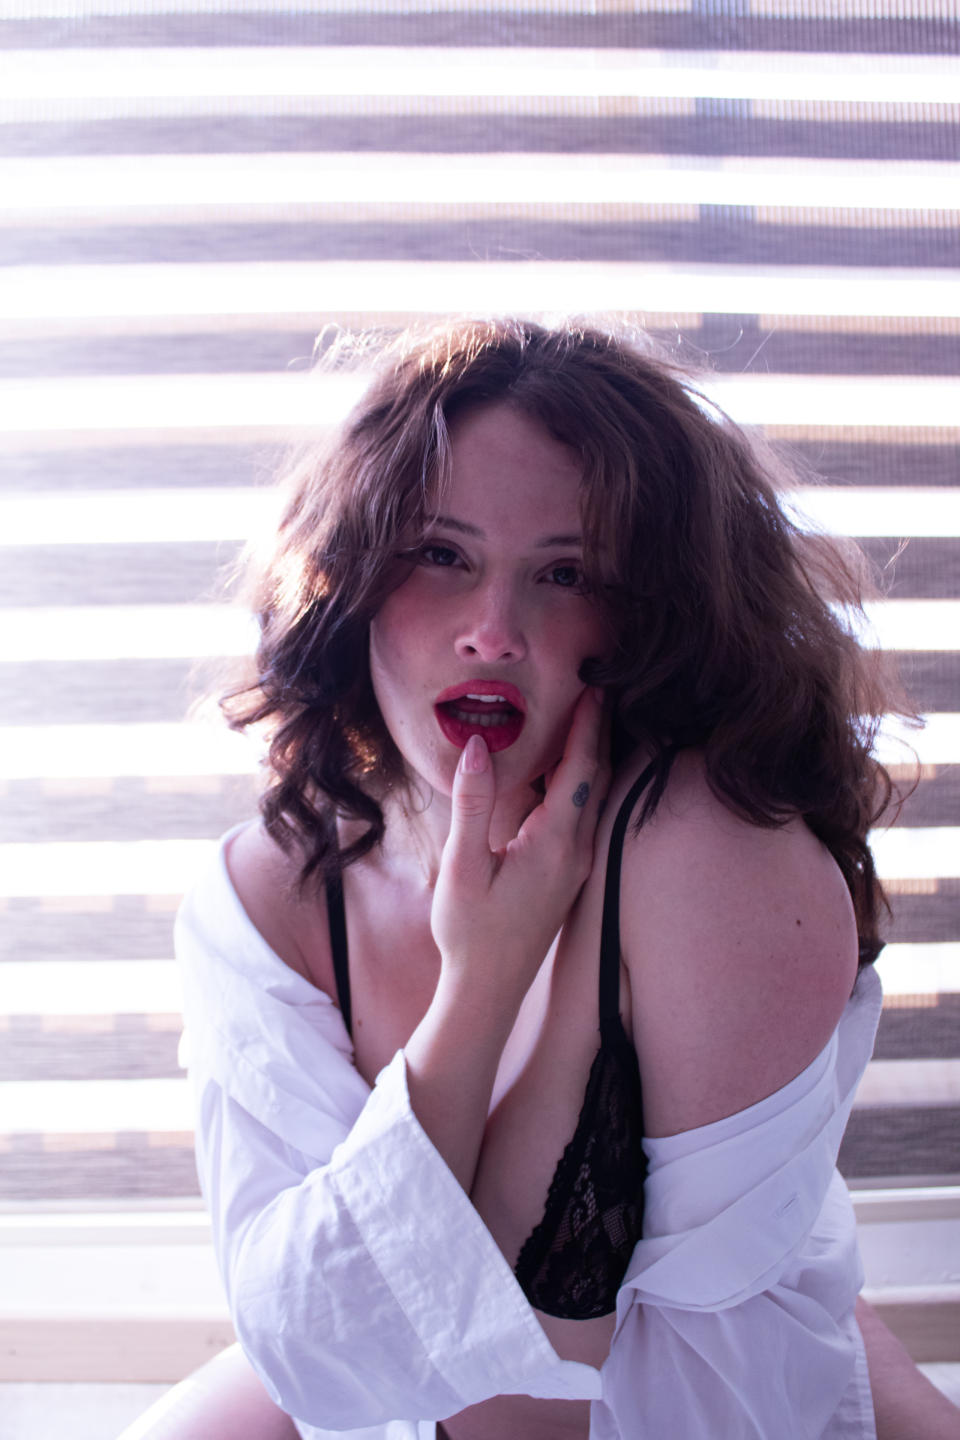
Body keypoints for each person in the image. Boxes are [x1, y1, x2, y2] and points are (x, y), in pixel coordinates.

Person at [136, 319, 958, 1440]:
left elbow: (557, 1388)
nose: (493, 634)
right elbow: (312, 1347)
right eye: (442, 555)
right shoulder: (270, 891)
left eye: (566, 574)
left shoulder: (707, 855)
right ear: (353, 578)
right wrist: (486, 974)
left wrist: (573, 974)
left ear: (657, 614)